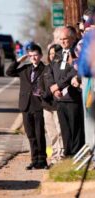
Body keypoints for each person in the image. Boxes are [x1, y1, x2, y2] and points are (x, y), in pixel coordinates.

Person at [7, 44, 48, 170]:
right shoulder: (25, 68)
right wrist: (19, 60)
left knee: (39, 133)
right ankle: (34, 160)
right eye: (31, 56)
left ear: (40, 56)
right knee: (30, 134)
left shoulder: (45, 69)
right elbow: (9, 72)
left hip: (38, 105)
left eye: (36, 55)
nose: (34, 58)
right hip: (26, 106)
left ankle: (42, 160)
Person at [47, 26, 85, 156]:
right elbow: (49, 71)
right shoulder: (57, 54)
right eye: (60, 39)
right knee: (65, 129)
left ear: (72, 38)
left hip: (73, 97)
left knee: (76, 128)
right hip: (60, 99)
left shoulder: (76, 53)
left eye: (66, 39)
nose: (63, 42)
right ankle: (68, 154)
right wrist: (53, 87)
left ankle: (77, 154)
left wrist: (59, 85)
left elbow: (74, 71)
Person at [39, 44, 64, 166]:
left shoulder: (62, 67)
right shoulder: (46, 68)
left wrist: (49, 92)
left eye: (55, 53)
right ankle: (54, 156)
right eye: (50, 53)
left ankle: (62, 155)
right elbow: (42, 85)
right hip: (47, 106)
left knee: (60, 132)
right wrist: (42, 94)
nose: (52, 55)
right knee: (51, 133)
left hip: (58, 105)